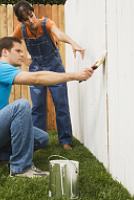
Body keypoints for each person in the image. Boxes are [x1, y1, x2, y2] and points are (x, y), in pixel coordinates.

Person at [0, 37, 94, 178]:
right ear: (5, 52)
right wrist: (73, 76)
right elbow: (36, 78)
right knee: (21, 105)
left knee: (41, 138)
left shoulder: (1, 71)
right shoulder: (0, 68)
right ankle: (21, 169)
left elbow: (37, 77)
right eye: (18, 50)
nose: (22, 54)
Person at [12, 1, 86, 150]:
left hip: (55, 68)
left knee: (61, 104)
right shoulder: (21, 30)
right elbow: (12, 46)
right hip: (36, 70)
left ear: (34, 12)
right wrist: (25, 60)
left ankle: (65, 141)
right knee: (38, 106)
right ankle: (38, 141)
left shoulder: (46, 24)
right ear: (21, 21)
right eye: (26, 20)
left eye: (31, 16)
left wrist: (73, 43)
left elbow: (60, 35)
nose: (31, 21)